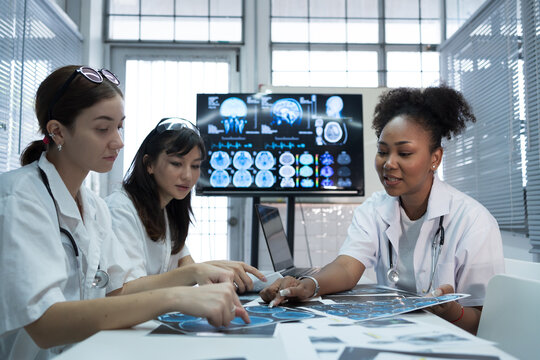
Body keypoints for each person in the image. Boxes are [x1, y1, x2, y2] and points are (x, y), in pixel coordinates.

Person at [0, 65, 248, 360]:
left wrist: (193, 282)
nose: (118, 142)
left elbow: (117, 292)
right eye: (103, 129)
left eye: (120, 127)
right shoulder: (20, 197)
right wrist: (177, 296)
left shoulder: (93, 207)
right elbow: (45, 325)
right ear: (57, 131)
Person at [260, 85, 505, 334]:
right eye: (382, 151)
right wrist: (310, 285)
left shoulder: (473, 221)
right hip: (395, 334)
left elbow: (486, 323)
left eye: (405, 153)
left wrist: (453, 312)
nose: (389, 163)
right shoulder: (375, 209)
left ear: (435, 158)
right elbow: (347, 267)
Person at [105, 117, 266, 293]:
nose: (188, 176)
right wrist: (198, 271)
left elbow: (184, 264)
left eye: (195, 166)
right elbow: (123, 291)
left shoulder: (168, 206)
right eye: (176, 164)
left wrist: (216, 269)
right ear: (149, 164)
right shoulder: (120, 209)